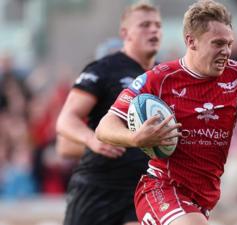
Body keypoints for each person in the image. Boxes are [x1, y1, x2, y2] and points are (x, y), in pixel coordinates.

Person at [95, 1, 237, 225]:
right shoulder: (159, 79)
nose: (226, 52)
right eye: (218, 43)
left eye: (229, 44)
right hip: (161, 188)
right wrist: (135, 138)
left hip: (204, 198)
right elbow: (105, 127)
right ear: (191, 41)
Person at [55, 2, 162, 225]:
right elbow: (66, 120)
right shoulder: (104, 69)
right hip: (99, 186)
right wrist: (91, 139)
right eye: (144, 25)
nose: (153, 30)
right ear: (125, 33)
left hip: (142, 187)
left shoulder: (165, 76)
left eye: (157, 25)